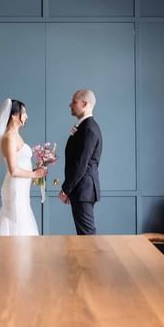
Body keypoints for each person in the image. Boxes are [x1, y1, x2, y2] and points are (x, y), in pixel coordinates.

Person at [0, 99, 46, 236]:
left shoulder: (16, 136)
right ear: (13, 115)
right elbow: (14, 170)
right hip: (14, 188)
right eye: (24, 112)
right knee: (17, 224)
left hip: (22, 189)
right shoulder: (8, 138)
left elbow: (20, 163)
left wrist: (35, 171)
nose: (26, 116)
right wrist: (35, 175)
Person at [59, 89, 103, 235]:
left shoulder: (88, 129)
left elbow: (81, 164)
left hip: (84, 190)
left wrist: (66, 189)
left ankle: (91, 259)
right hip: (82, 189)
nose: (70, 105)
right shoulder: (84, 126)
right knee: (85, 235)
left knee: (87, 236)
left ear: (85, 104)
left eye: (74, 101)